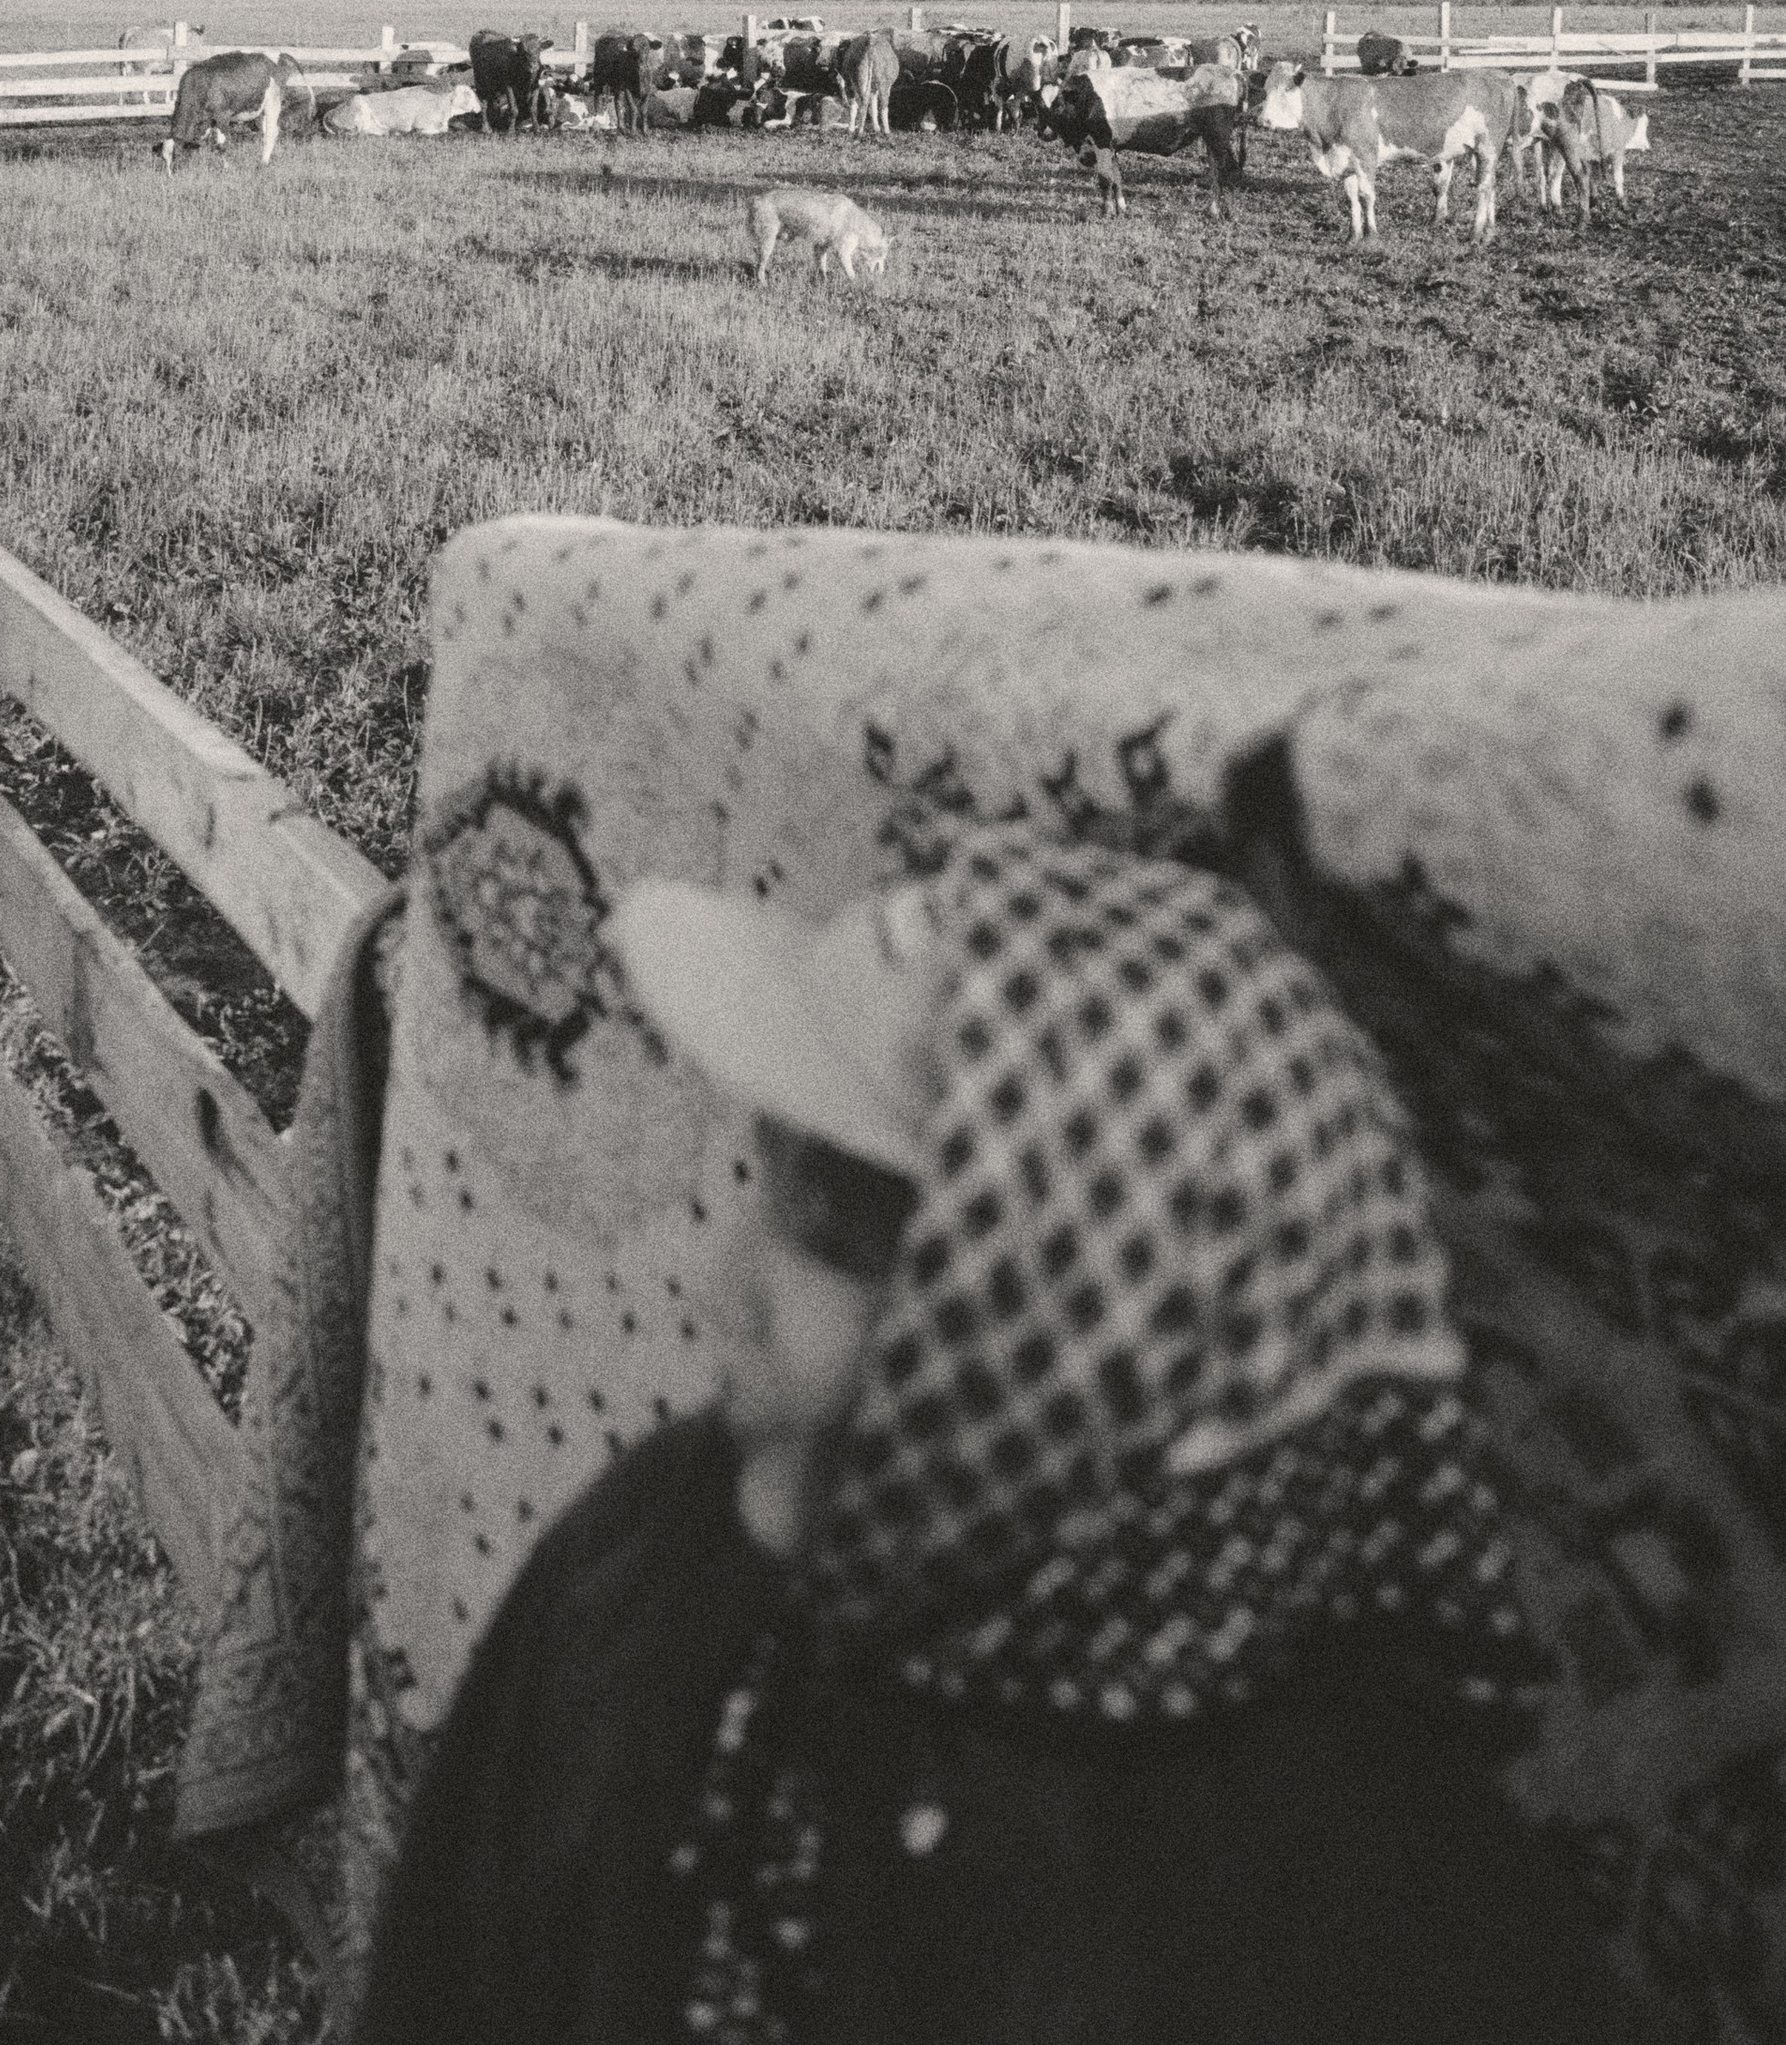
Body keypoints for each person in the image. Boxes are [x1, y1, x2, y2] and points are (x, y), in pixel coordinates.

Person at [354, 825, 1624, 2044]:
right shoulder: (652, 1563)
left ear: (1094, 1333)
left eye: (833, 1232)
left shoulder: (1354, 1898)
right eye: (772, 1184)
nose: (720, 1285)